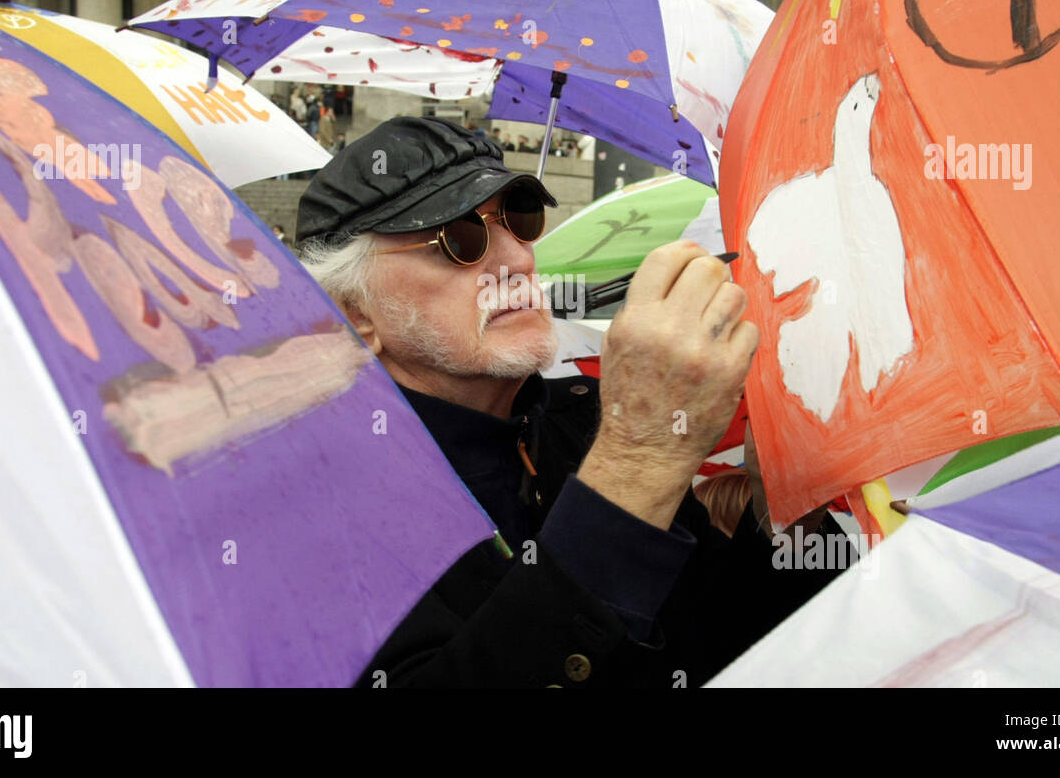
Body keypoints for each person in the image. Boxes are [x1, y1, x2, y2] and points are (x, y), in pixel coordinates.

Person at [295, 118, 838, 687]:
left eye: (519, 219)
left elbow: (722, 644)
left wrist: (786, 511)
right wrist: (636, 461)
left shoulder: (589, 416)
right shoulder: (315, 500)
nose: (519, 260)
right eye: (459, 238)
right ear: (356, 316)